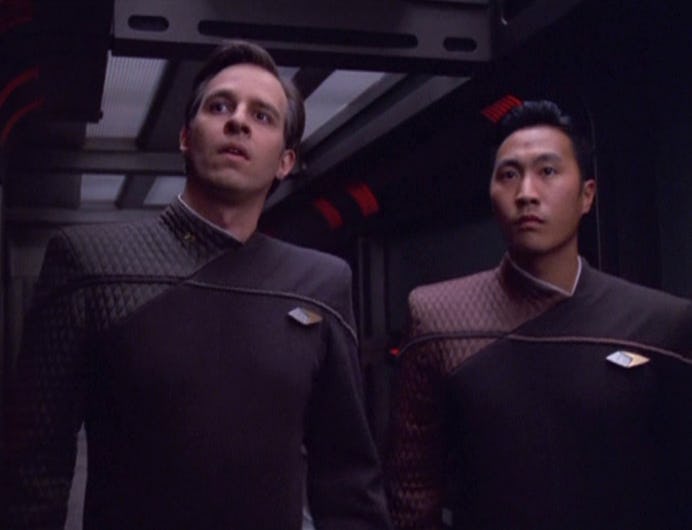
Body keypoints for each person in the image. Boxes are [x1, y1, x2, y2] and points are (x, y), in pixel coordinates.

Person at [3, 40, 392, 530]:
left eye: (263, 116)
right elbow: (35, 466)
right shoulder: (90, 262)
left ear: (285, 162)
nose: (239, 122)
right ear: (186, 137)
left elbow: (347, 478)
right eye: (220, 106)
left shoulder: (321, 282)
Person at [386, 100, 692, 530]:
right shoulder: (438, 317)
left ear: (587, 195)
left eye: (547, 171)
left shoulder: (659, 323)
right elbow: (412, 489)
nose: (526, 192)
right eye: (509, 175)